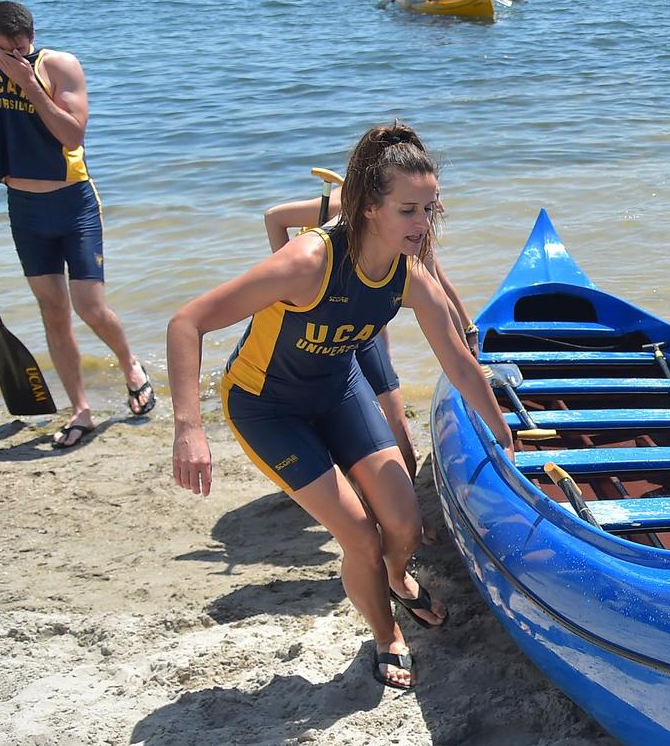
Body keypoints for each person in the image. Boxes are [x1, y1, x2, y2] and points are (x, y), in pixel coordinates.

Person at [170, 123, 513, 691]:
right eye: (409, 211)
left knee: (403, 525)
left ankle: (398, 581)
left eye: (431, 210)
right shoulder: (307, 262)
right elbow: (187, 322)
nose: (423, 225)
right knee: (360, 534)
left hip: (335, 388)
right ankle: (386, 636)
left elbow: (458, 364)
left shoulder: (409, 275)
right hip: (266, 407)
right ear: (369, 207)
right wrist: (189, 428)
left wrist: (504, 438)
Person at [0, 0, 155, 450]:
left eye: (24, 47)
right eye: (6, 50)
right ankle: (81, 411)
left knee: (89, 306)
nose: (18, 56)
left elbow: (73, 134)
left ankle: (130, 364)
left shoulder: (60, 66)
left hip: (74, 202)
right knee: (53, 312)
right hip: (24, 207)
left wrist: (30, 85)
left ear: (32, 36)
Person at [262, 179, 478, 489]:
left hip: (367, 329)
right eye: (423, 203)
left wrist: (466, 331)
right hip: (326, 329)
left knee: (396, 417)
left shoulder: (415, 222)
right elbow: (274, 217)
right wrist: (293, 294)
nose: (434, 210)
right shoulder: (345, 206)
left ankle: (409, 497)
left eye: (433, 202)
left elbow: (436, 282)